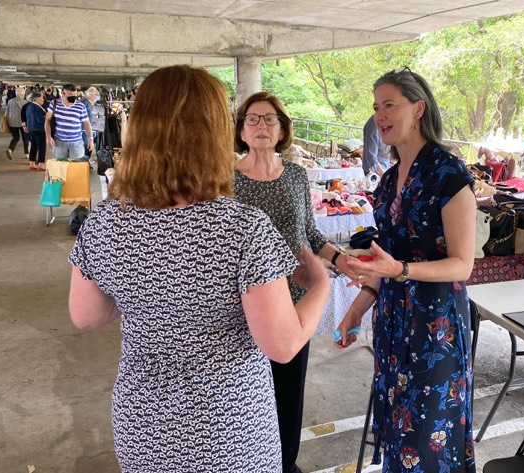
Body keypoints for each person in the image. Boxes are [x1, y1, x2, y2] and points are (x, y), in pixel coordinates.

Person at [68, 64, 331, 473]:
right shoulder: (243, 228)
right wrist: (320, 285)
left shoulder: (104, 221)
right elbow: (282, 344)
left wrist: (147, 291)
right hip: (229, 432)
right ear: (214, 134)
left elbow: (86, 316)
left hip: (144, 427)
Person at [335, 68, 476, 473]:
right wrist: (357, 309)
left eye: (390, 105)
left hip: (435, 327)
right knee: (397, 428)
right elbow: (387, 261)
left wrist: (400, 269)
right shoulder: (391, 177)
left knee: (430, 434)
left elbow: (462, 264)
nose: (380, 115)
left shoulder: (448, 174)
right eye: (377, 107)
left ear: (418, 108)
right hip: (394, 321)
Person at [233, 91, 356, 473]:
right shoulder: (224, 180)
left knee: (289, 389)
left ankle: (285, 462)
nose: (262, 126)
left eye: (270, 119)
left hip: (295, 300)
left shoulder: (297, 176)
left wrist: (341, 260)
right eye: (253, 119)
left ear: (283, 128)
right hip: (244, 303)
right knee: (246, 392)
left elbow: (310, 235)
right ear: (240, 128)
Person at [44, 83, 94, 159]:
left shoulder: (80, 106)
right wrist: (48, 137)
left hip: (76, 142)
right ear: (63, 94)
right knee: (60, 166)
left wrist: (91, 139)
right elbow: (47, 121)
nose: (73, 96)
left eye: (75, 94)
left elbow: (87, 123)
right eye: (70, 94)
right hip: (59, 141)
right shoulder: (54, 104)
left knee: (76, 166)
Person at [4, 87, 29, 159]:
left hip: (12, 122)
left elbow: (7, 112)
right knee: (25, 138)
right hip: (22, 123)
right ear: (22, 94)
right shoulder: (25, 102)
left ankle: (10, 149)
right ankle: (26, 154)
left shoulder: (10, 101)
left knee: (16, 137)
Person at [25, 92, 47, 171]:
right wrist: (46, 116)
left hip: (31, 128)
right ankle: (41, 164)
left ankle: (32, 163)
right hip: (39, 129)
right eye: (42, 98)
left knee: (33, 146)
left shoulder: (29, 106)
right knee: (41, 147)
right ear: (37, 99)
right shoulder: (38, 108)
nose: (43, 100)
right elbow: (40, 120)